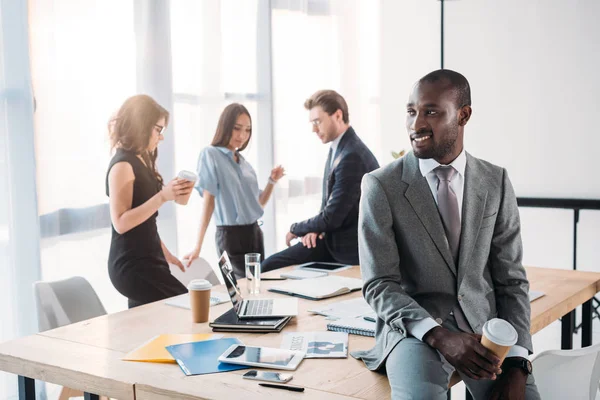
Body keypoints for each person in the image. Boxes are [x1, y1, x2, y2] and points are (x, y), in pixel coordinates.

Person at [353, 70, 541, 400]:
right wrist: (437, 334)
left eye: (432, 112)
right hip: (413, 332)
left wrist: (517, 362)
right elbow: (379, 283)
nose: (416, 124)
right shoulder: (381, 186)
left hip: (486, 331)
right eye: (411, 111)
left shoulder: (495, 181)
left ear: (463, 115)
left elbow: (511, 280)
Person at [261, 90, 379, 272]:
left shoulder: (351, 155)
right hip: (331, 236)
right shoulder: (339, 148)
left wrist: (296, 228)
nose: (314, 129)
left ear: (338, 115)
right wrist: (315, 229)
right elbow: (331, 205)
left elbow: (332, 217)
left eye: (317, 122)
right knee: (271, 265)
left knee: (270, 266)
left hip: (345, 249)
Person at [106, 95, 194, 309]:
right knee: (186, 308)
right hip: (132, 265)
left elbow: (146, 223)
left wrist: (165, 253)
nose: (161, 137)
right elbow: (121, 222)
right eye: (158, 129)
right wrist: (163, 196)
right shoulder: (122, 166)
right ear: (142, 126)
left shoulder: (142, 159)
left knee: (147, 326)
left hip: (149, 259)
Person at [183, 103, 285, 279]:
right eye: (237, 128)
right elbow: (209, 200)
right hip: (230, 237)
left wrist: (272, 181)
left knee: (258, 288)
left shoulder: (244, 163)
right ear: (225, 126)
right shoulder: (210, 154)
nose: (242, 135)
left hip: (254, 234)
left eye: (247, 130)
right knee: (240, 291)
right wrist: (198, 246)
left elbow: (258, 203)